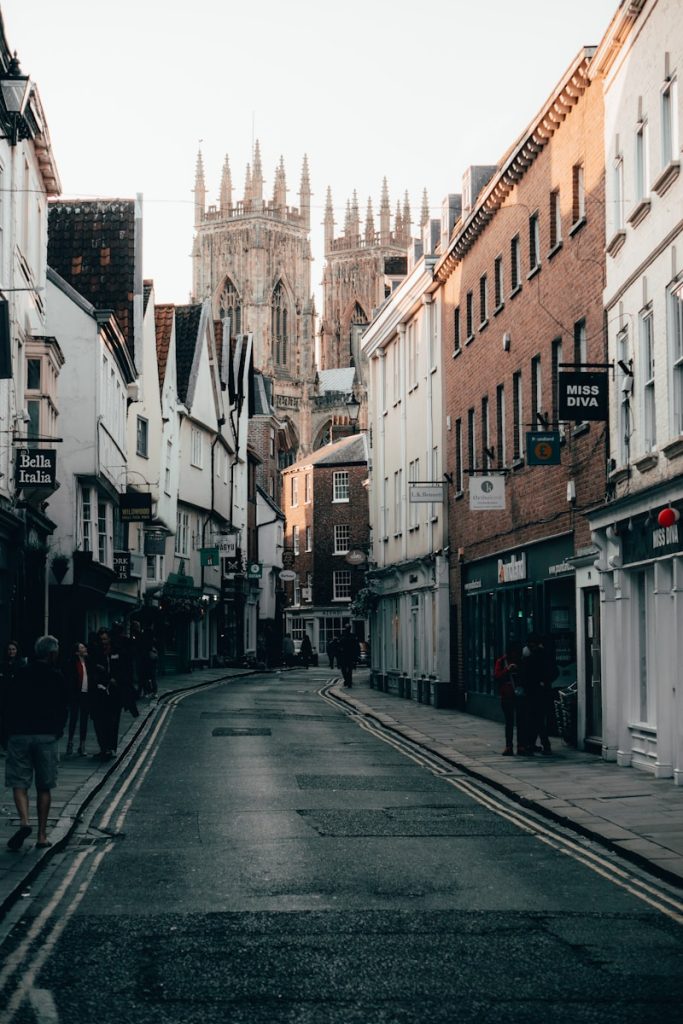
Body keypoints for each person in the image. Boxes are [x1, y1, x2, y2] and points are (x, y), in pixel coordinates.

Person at [3, 635, 68, 850]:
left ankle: (24, 821)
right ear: (51, 654)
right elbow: (63, 707)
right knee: (44, 786)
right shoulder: (56, 677)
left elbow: (6, 703)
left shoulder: (19, 673)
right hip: (46, 737)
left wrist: (6, 734)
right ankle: (41, 836)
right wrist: (58, 730)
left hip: (19, 735)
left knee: (19, 782)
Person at [518, 633, 546, 755]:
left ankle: (534, 744)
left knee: (535, 720)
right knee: (536, 720)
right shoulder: (531, 655)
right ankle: (534, 744)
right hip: (534, 691)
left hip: (534, 691)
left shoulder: (530, 656)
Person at [494, 642, 522, 756]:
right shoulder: (501, 661)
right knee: (509, 722)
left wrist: (519, 669)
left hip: (520, 695)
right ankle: (509, 746)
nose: (514, 654)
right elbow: (497, 676)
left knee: (521, 722)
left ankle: (521, 746)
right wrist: (507, 670)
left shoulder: (521, 661)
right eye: (513, 652)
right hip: (507, 696)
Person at [66, 641, 91, 756]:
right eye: (81, 647)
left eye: (84, 647)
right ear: (77, 652)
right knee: (73, 719)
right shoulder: (72, 663)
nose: (84, 648)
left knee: (84, 720)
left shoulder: (88, 661)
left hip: (86, 694)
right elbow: (70, 679)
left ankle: (82, 745)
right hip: (76, 694)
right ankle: (70, 742)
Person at [0, 641, 25, 750]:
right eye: (9, 649)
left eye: (13, 649)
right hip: (4, 696)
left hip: (16, 697)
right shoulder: (2, 664)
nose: (11, 652)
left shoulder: (21, 664)